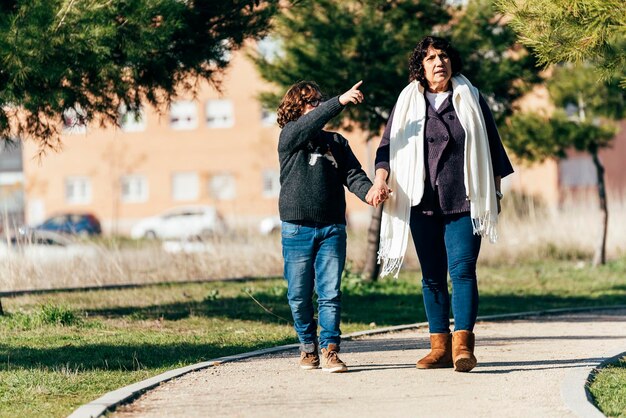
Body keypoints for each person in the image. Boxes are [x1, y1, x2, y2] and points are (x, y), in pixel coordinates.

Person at [366, 36, 514, 372]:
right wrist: (380, 178)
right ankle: (439, 347)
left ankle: (463, 348)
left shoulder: (471, 97)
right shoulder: (406, 103)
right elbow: (386, 149)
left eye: (443, 56)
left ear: (451, 61)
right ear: (420, 66)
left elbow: (493, 148)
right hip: (420, 203)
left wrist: (496, 193)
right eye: (430, 57)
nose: (438, 62)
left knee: (462, 271)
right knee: (432, 276)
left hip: (465, 200)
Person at [277, 80, 372, 373]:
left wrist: (369, 192)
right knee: (299, 294)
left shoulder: (337, 142)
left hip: (332, 228)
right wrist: (339, 101)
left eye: (320, 100)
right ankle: (308, 348)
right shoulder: (290, 137)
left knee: (330, 292)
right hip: (296, 228)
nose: (317, 106)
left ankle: (330, 350)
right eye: (311, 101)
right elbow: (308, 124)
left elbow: (354, 175)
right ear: (296, 108)